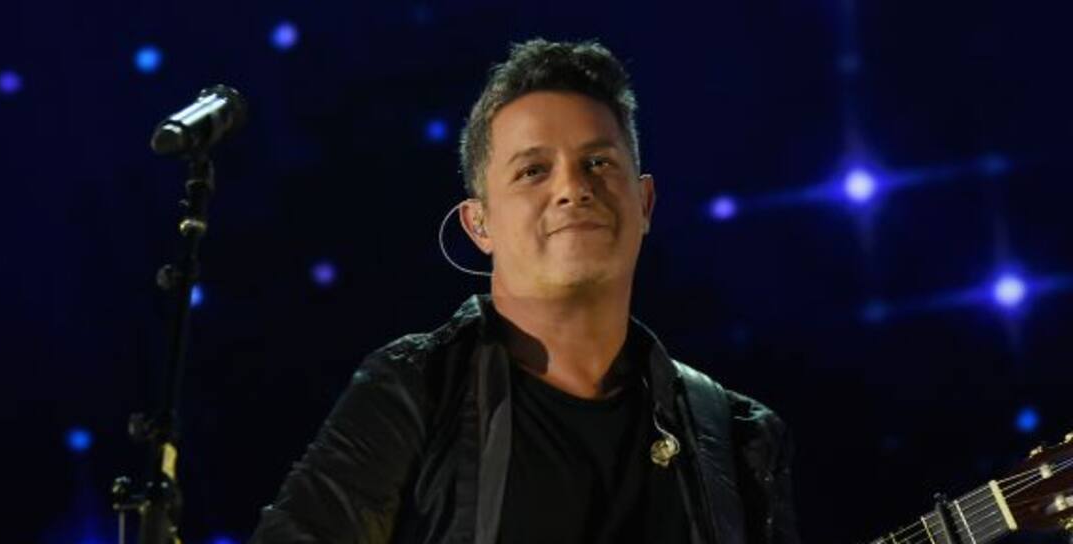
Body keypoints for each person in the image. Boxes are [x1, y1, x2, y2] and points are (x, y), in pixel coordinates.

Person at [249, 38, 801, 544]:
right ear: (478, 224)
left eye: (598, 163)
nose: (573, 188)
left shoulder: (736, 435)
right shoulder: (414, 391)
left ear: (645, 203)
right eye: (534, 170)